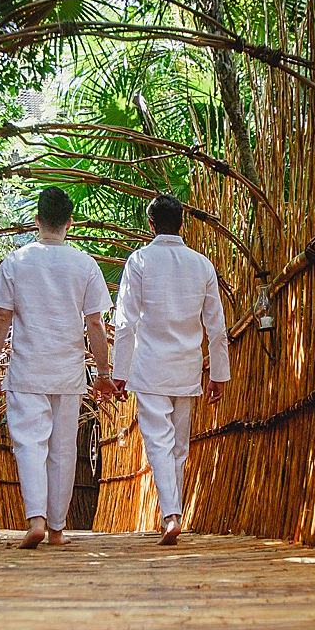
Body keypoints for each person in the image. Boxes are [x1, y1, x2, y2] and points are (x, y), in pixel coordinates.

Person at [0, 186, 114, 549]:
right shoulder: (85, 264)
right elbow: (96, 324)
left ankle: (36, 519)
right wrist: (102, 373)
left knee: (29, 445)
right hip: (68, 372)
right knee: (62, 450)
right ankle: (56, 530)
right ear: (70, 222)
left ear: (37, 220)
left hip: (27, 371)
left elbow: (3, 316)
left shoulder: (16, 261)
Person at [110, 194, 229, 546]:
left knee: (159, 444)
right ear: (182, 223)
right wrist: (219, 374)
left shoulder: (140, 261)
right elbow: (216, 326)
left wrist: (120, 370)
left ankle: (171, 514)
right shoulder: (202, 265)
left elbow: (125, 321)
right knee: (179, 446)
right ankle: (173, 512)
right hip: (187, 368)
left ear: (150, 225)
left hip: (148, 369)